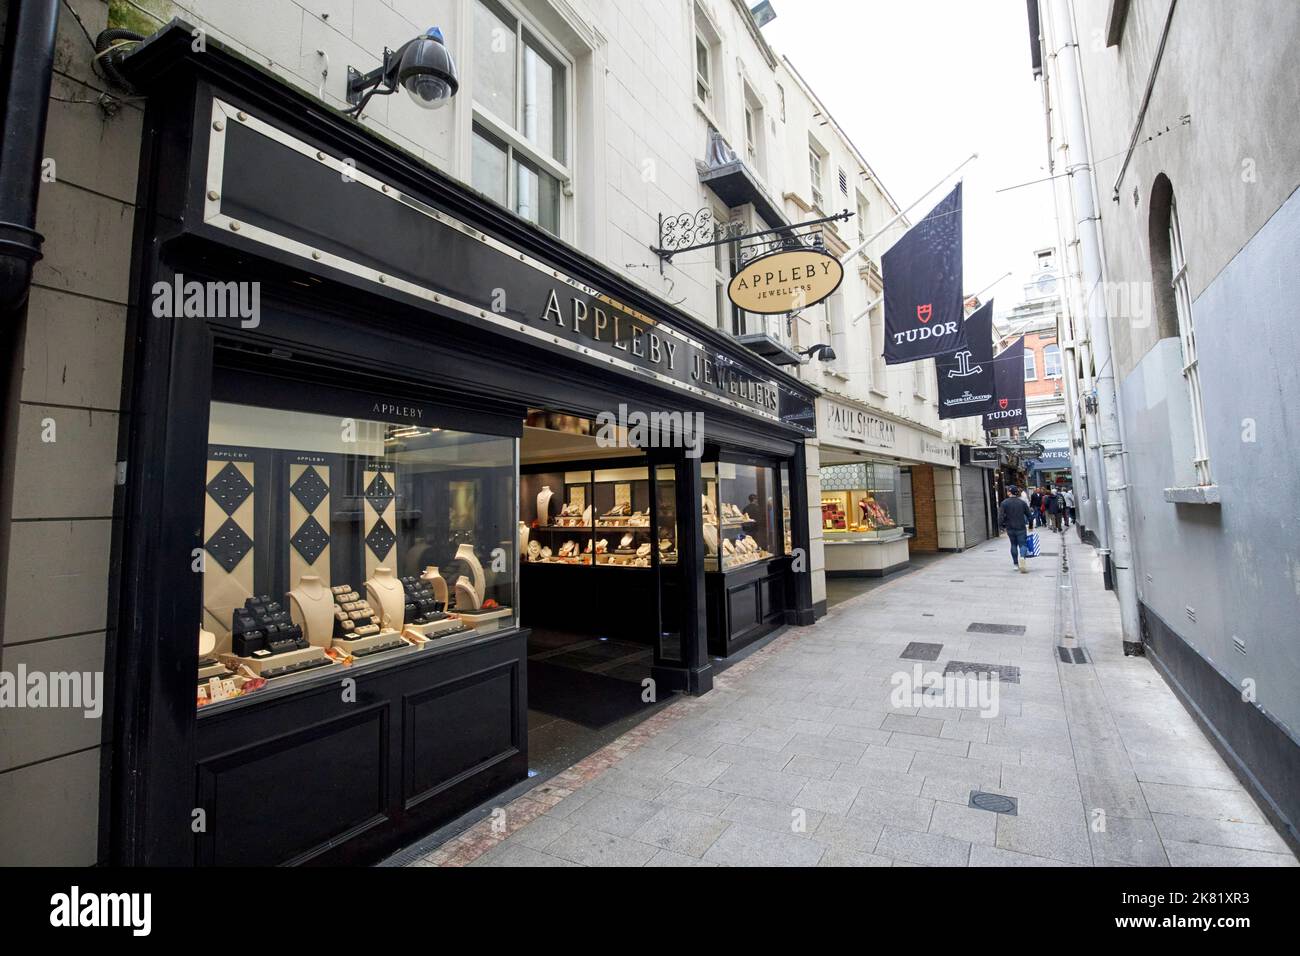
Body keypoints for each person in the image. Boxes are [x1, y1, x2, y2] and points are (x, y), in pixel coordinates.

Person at [999, 486, 1032, 573]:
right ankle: (1022, 558)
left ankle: (1015, 564)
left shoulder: (1004, 503)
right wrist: (1031, 526)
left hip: (1010, 527)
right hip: (1021, 527)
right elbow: (1030, 515)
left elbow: (1001, 516)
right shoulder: (1022, 503)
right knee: (1023, 544)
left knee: (1013, 544)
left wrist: (1001, 526)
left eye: (1007, 491)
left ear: (1010, 492)